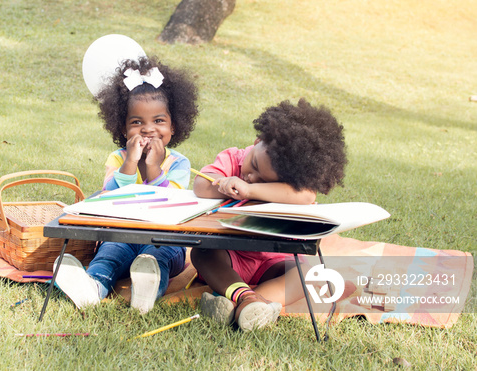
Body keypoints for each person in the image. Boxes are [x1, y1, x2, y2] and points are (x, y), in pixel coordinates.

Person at [54, 56, 199, 314]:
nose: (147, 130)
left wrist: (153, 167)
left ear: (174, 126)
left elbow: (173, 204)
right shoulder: (118, 158)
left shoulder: (179, 163)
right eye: (137, 122)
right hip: (121, 236)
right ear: (122, 128)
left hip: (166, 241)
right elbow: (109, 196)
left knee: (157, 260)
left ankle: (146, 294)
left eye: (158, 121)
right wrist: (130, 163)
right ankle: (91, 288)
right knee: (108, 255)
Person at [191, 98, 348, 330]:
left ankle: (251, 304)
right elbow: (200, 186)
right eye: (253, 164)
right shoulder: (233, 158)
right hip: (230, 255)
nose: (251, 176)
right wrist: (225, 184)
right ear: (257, 142)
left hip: (272, 259)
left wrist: (251, 190)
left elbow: (305, 196)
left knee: (308, 275)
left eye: (265, 180)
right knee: (201, 253)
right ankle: (247, 299)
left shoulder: (291, 186)